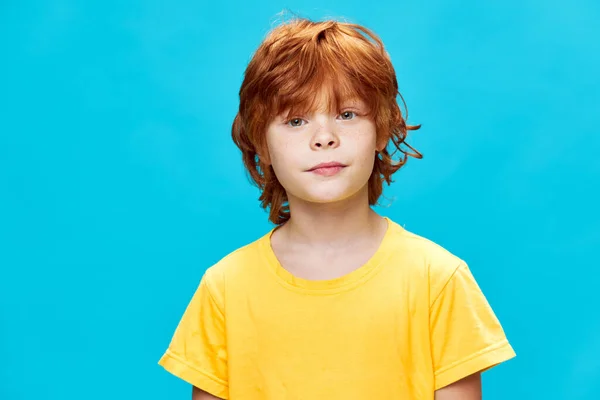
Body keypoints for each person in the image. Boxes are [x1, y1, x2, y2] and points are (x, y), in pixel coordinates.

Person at [158, 17, 516, 400]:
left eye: (347, 115)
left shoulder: (439, 280)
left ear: (382, 129)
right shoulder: (224, 288)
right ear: (259, 143)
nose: (324, 138)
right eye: (295, 120)